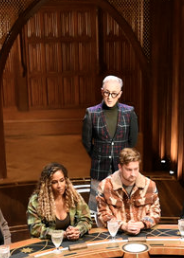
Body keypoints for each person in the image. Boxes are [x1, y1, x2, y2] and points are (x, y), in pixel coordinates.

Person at [82, 75, 139, 219]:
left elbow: (132, 141)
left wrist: (123, 159)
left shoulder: (129, 112)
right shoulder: (92, 113)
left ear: (120, 94)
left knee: (123, 208)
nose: (110, 97)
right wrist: (98, 155)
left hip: (122, 168)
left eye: (114, 94)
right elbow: (86, 142)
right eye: (107, 92)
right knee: (97, 209)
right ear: (102, 92)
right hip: (99, 166)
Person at [97, 148, 161, 235]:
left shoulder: (150, 185)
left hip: (143, 233)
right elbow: (103, 215)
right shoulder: (105, 186)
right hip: (116, 234)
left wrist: (142, 224)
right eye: (129, 169)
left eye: (136, 169)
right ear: (120, 167)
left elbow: (155, 213)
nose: (133, 174)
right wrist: (123, 226)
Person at [27, 162, 93, 240]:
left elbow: (86, 219)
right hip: (48, 243)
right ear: (47, 185)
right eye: (54, 182)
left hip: (72, 241)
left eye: (62, 180)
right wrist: (60, 234)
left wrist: (77, 230)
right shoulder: (36, 201)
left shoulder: (73, 196)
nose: (59, 186)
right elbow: (35, 228)